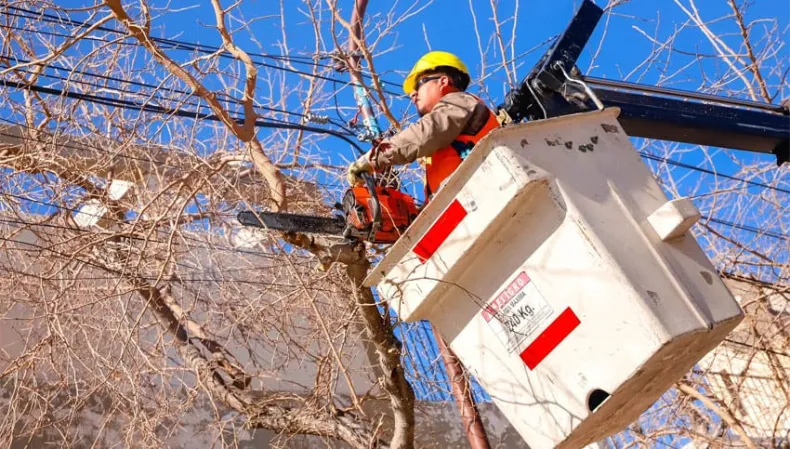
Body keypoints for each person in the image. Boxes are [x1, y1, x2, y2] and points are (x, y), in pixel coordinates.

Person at [346, 51, 500, 200]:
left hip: (487, 192)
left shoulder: (460, 102)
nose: (413, 94)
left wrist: (372, 159)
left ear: (443, 81)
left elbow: (424, 134)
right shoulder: (444, 145)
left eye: (419, 84)